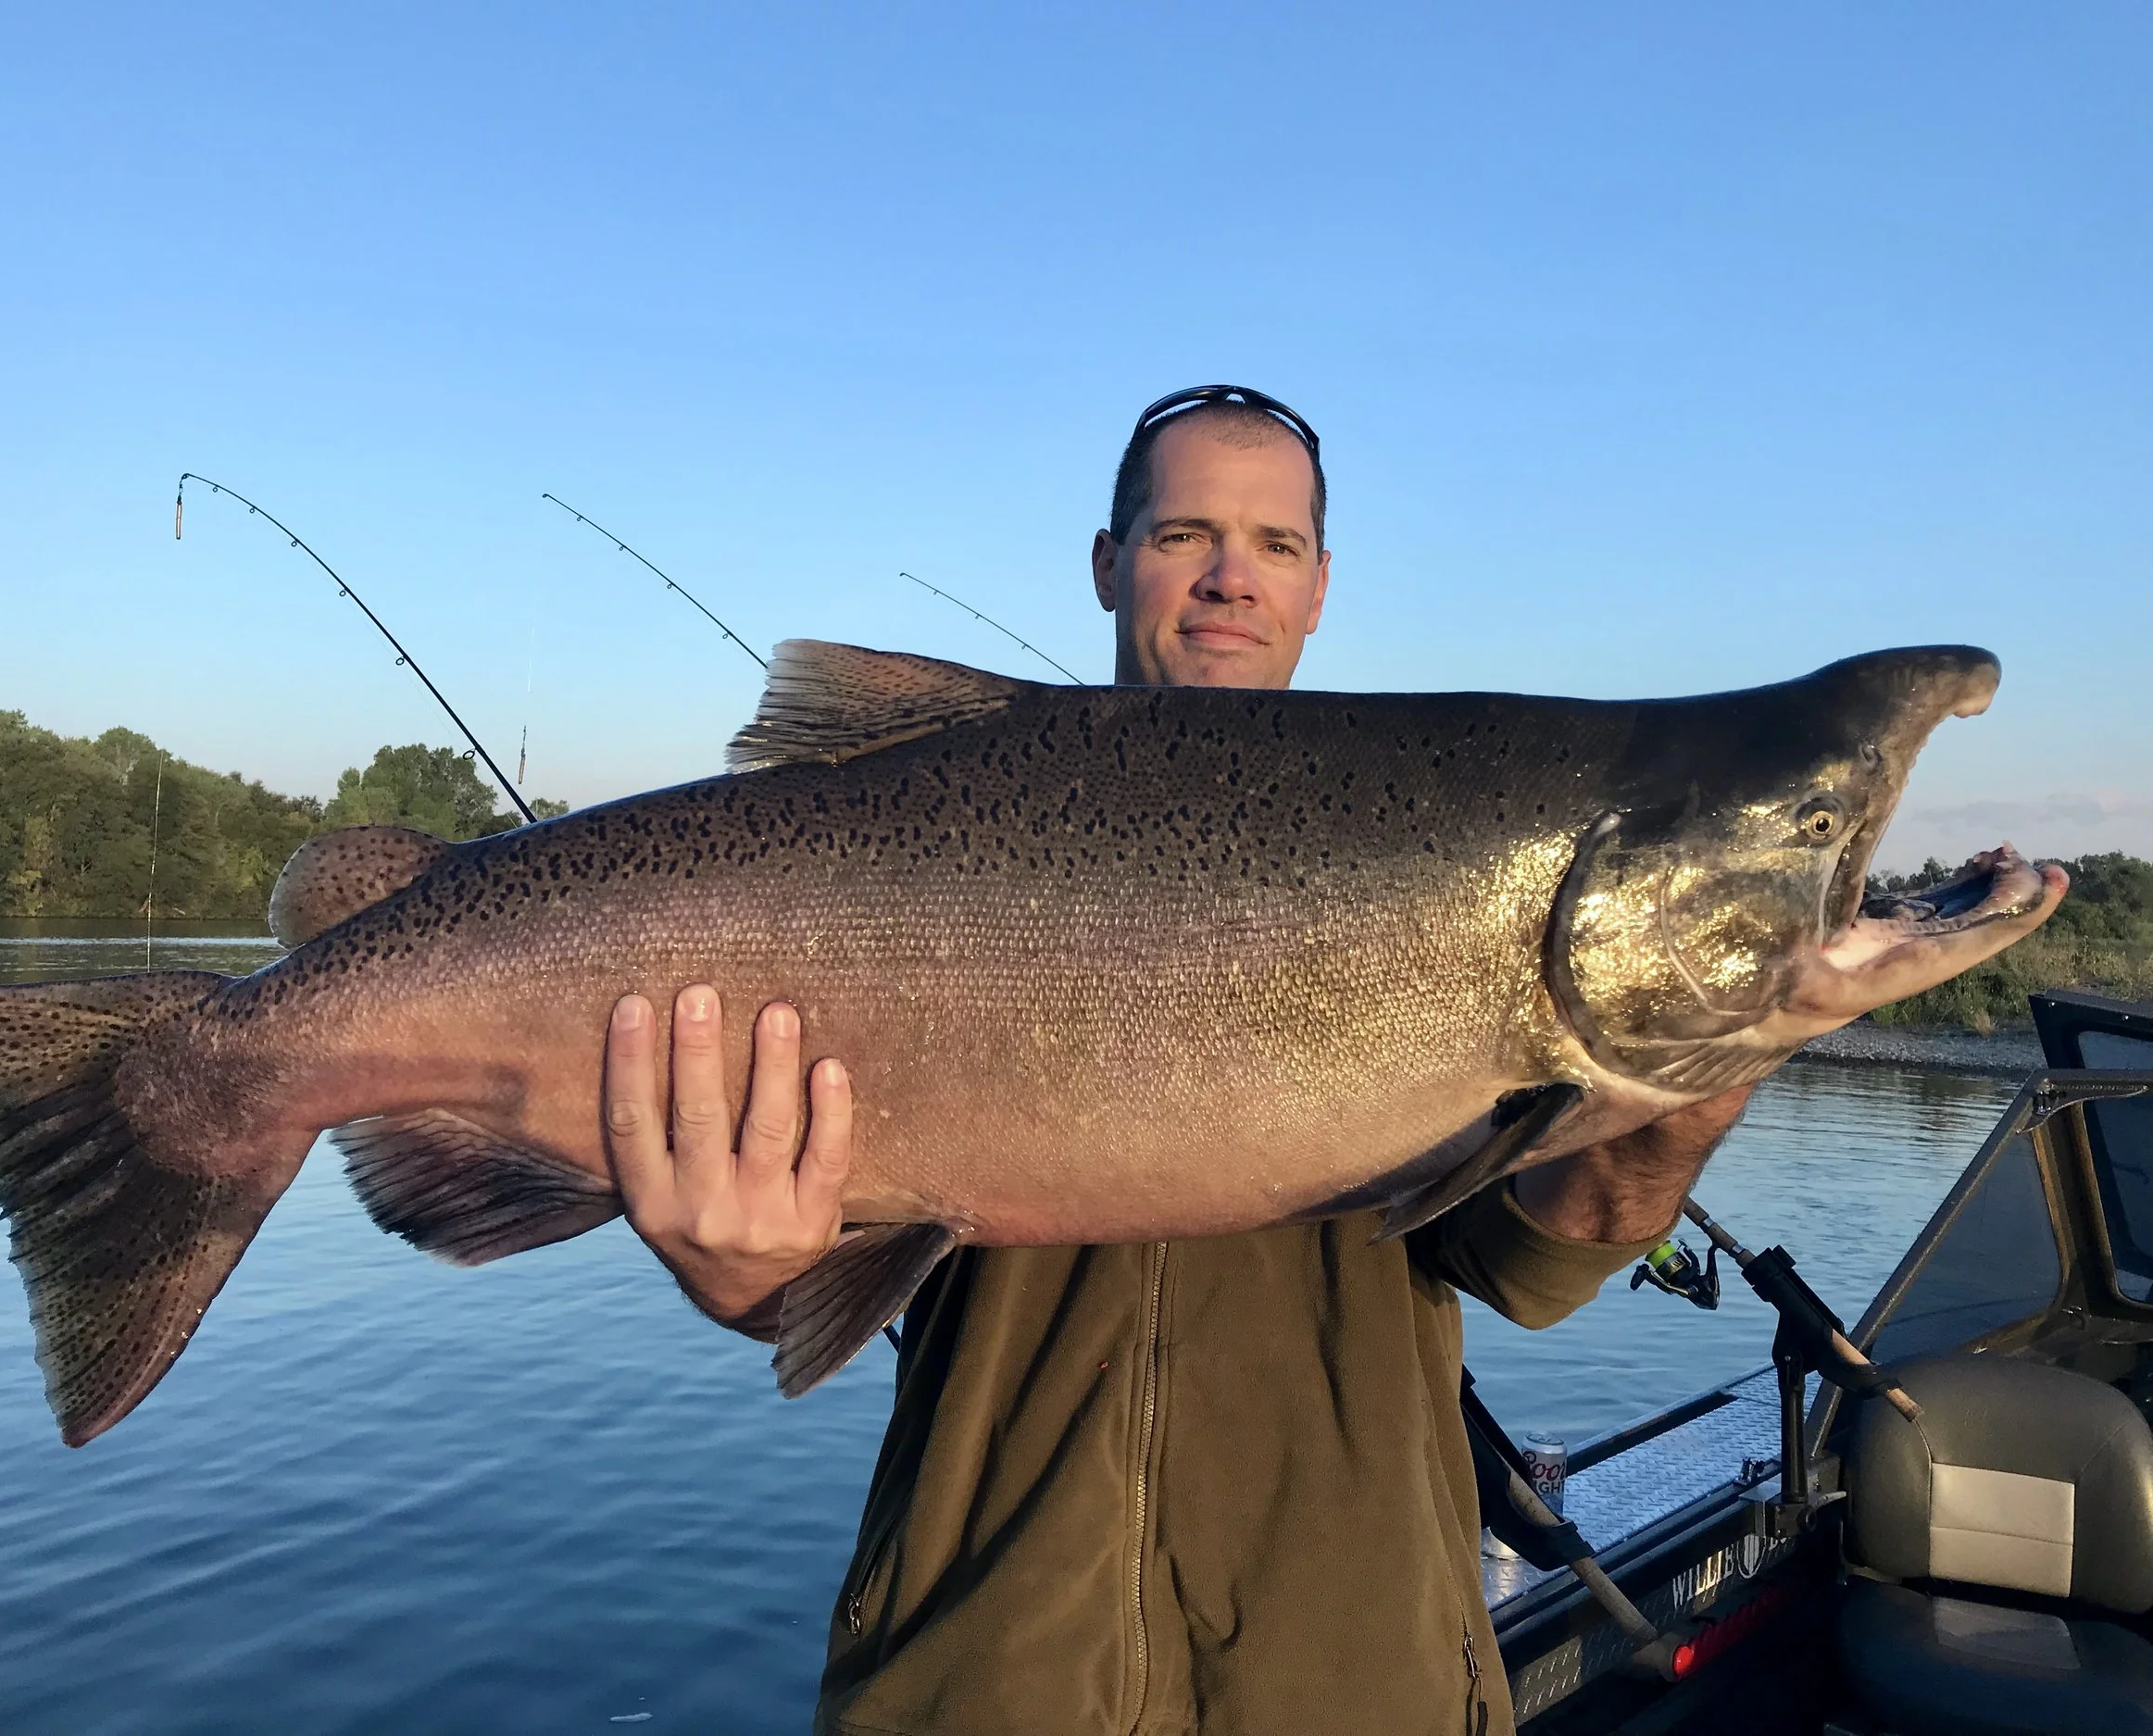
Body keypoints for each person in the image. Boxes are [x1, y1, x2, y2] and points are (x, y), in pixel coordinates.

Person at [603, 386, 1751, 1735]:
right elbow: (805, 1295)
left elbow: (1527, 1264)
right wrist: (738, 1268)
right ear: (1109, 562)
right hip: (972, 1685)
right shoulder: (943, 822)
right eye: (1185, 532)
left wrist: (1679, 1105)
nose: (1227, 579)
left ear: (1320, 587)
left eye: (1273, 544)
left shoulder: (1442, 861)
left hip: (1356, 1689)